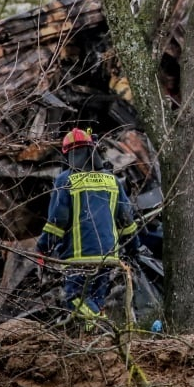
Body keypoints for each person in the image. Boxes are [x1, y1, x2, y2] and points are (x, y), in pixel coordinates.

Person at [37, 128, 139, 326]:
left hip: (79, 257)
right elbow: (127, 220)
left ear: (67, 154)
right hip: (109, 255)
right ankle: (97, 342)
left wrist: (43, 246)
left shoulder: (66, 181)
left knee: (75, 298)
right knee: (96, 299)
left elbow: (58, 221)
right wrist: (134, 249)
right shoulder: (112, 181)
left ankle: (103, 329)